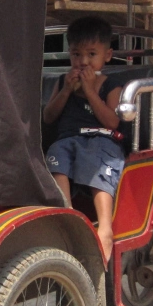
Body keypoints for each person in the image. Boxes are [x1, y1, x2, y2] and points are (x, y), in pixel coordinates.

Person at [42, 16, 125, 261]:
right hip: (68, 140)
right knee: (56, 155)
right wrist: (68, 89)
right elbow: (49, 116)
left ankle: (105, 228)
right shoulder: (63, 82)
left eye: (91, 54)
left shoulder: (111, 84)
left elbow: (111, 121)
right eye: (77, 55)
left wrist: (89, 90)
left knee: (95, 162)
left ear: (107, 56)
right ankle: (68, 215)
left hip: (102, 141)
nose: (83, 62)